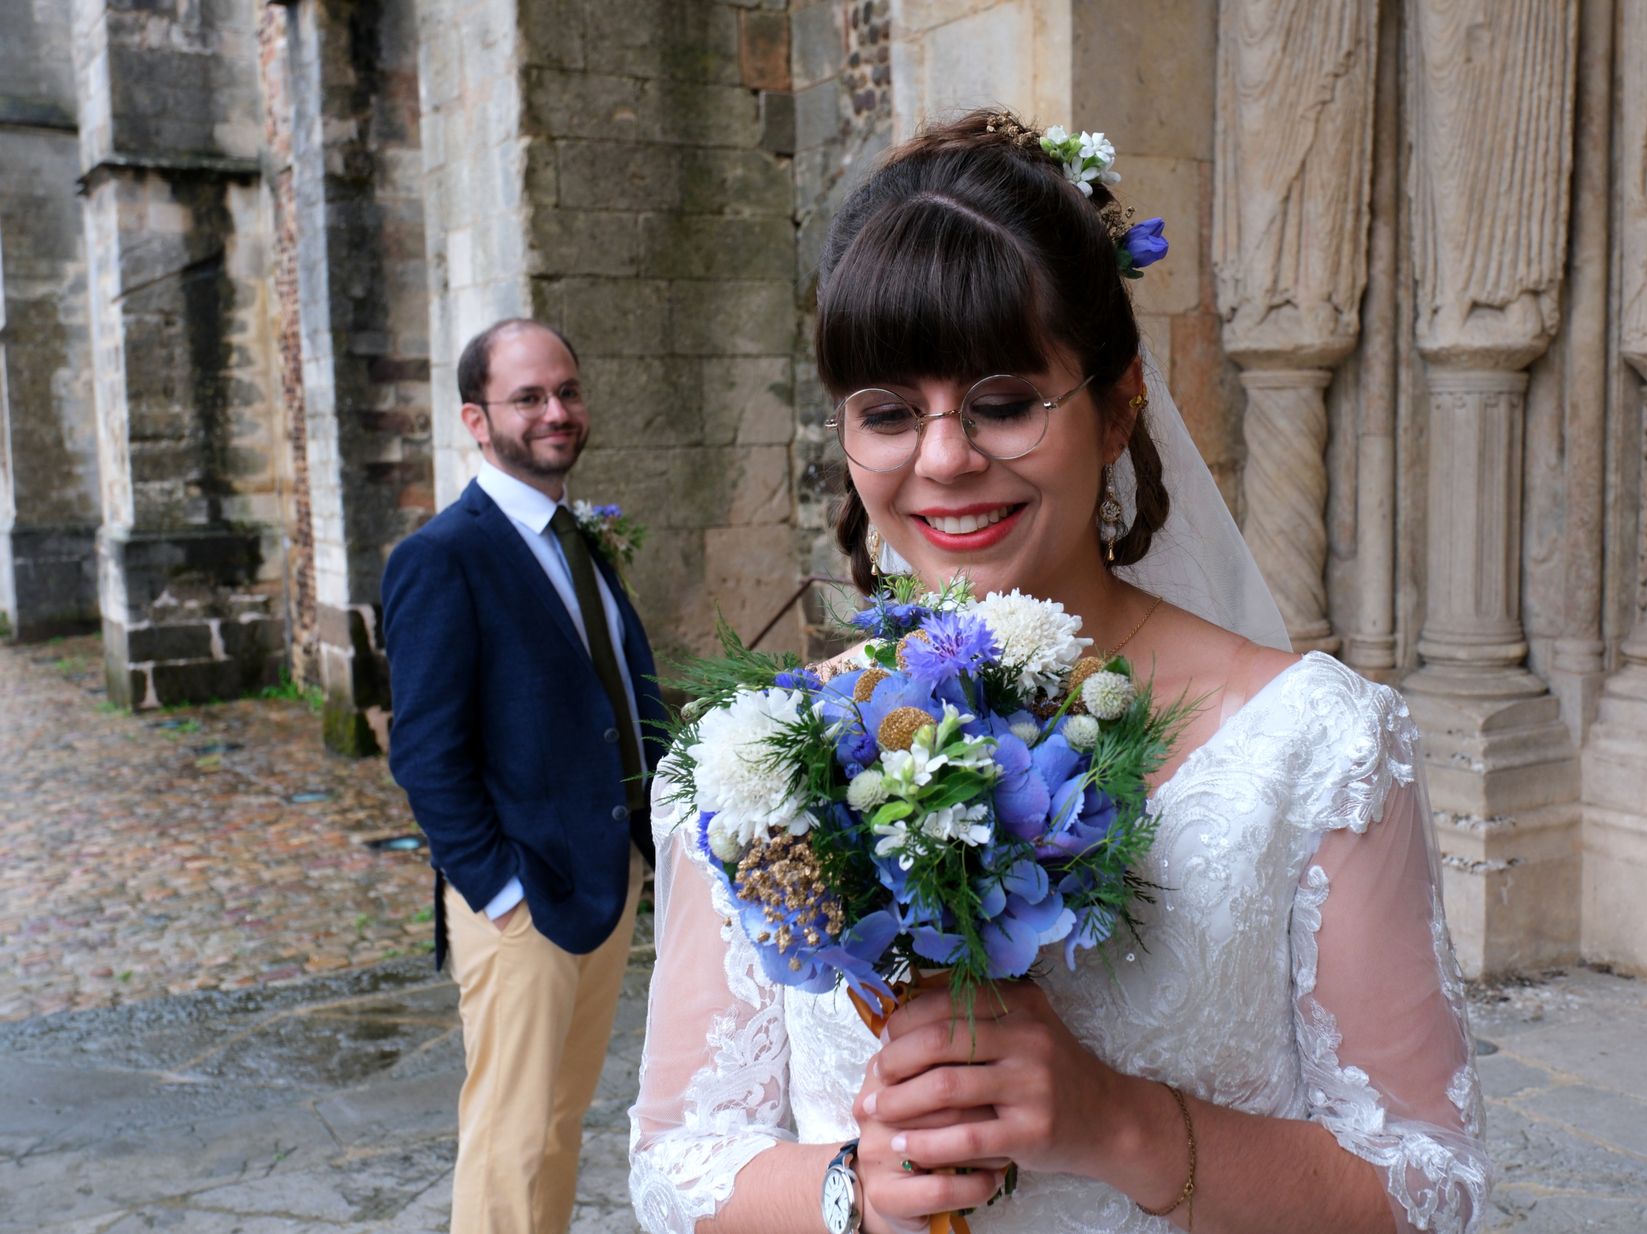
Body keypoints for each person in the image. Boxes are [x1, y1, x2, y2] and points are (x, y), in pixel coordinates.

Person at [629, 112, 1489, 1234]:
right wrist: (855, 1188)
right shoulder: (749, 757)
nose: (944, 459)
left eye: (1002, 400)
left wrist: (1117, 1123)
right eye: (889, 412)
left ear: (1118, 400)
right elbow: (677, 1163)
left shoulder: (1316, 742)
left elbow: (1432, 1190)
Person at [384, 318, 666, 1234]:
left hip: (605, 874)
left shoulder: (575, 536)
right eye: (529, 398)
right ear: (477, 419)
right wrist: (499, 890)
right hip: (523, 894)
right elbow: (425, 751)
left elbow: (615, 692)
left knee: (556, 1123)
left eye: (568, 392)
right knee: (508, 1138)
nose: (557, 411)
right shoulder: (443, 557)